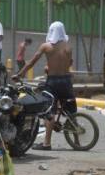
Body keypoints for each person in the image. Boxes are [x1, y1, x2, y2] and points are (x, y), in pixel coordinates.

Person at [13, 21, 77, 150]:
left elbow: (32, 62)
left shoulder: (46, 47)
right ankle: (77, 141)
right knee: (71, 111)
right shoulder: (68, 47)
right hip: (67, 80)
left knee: (50, 111)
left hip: (53, 81)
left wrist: (19, 74)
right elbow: (70, 62)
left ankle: (47, 143)